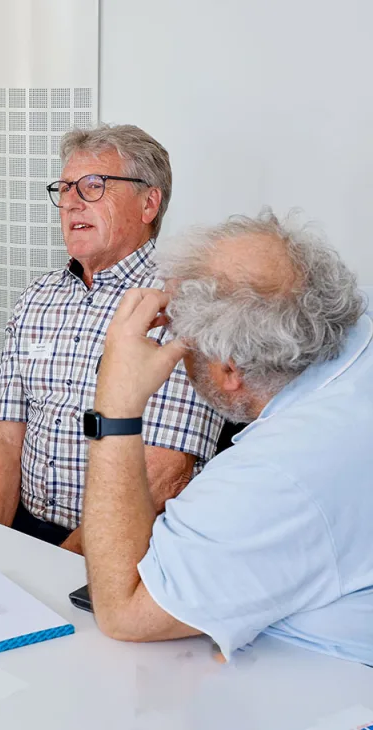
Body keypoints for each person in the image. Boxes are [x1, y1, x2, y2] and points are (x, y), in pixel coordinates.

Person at [82, 210, 373, 665]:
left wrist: (115, 408)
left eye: (179, 334)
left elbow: (124, 612)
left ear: (230, 369)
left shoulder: (273, 473)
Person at [0, 124, 223, 551]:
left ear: (148, 203)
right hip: (25, 532)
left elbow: (164, 472)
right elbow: (3, 436)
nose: (70, 202)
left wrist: (62, 562)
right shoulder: (38, 296)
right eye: (66, 188)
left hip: (129, 543)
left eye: (93, 186)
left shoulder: (182, 304)